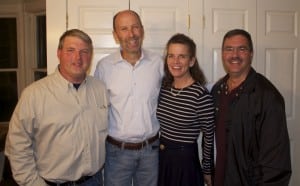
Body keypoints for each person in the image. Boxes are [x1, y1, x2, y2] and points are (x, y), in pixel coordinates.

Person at [5, 29, 108, 186]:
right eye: (70, 50)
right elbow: (17, 147)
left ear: (91, 55)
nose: (78, 58)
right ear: (59, 53)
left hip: (94, 180)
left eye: (84, 51)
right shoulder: (34, 94)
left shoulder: (100, 89)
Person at [212, 29, 292, 186]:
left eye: (241, 49)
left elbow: (276, 162)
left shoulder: (267, 97)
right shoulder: (218, 90)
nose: (234, 55)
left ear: (251, 54)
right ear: (222, 54)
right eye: (229, 49)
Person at [94, 10, 164, 186]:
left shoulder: (159, 64)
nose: (131, 34)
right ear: (115, 35)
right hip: (117, 153)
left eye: (135, 27)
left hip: (151, 151)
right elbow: (95, 107)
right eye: (124, 29)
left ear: (142, 30)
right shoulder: (104, 67)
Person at [156, 33, 215, 186]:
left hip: (185, 162)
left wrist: (207, 170)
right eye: (171, 56)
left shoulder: (201, 95)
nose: (175, 61)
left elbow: (208, 137)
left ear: (191, 61)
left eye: (182, 56)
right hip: (162, 158)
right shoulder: (164, 87)